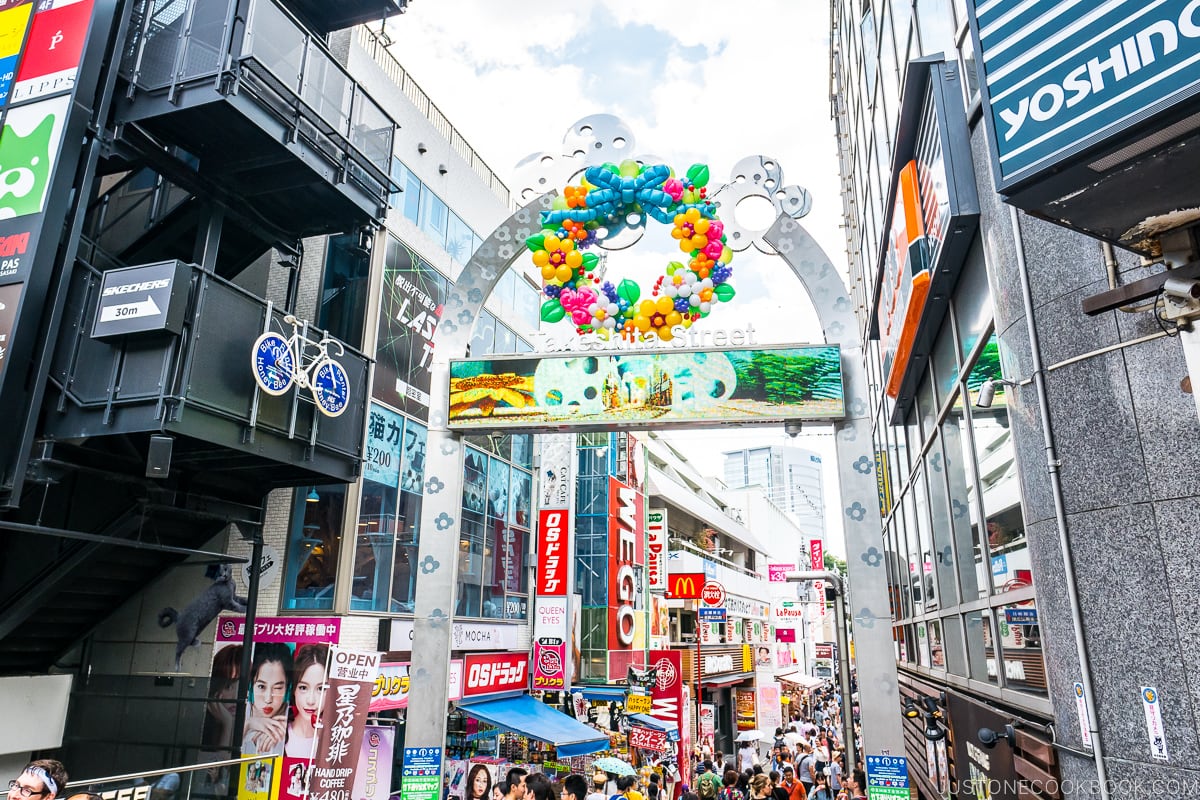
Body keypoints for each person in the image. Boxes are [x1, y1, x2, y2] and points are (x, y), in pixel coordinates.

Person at [242, 642, 293, 755]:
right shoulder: (239, 711)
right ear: (251, 685)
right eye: (261, 687)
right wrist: (249, 724)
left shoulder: (292, 718)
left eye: (278, 688)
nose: (268, 699)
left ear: (287, 687)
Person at [285, 643, 329, 757]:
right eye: (303, 688)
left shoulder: (335, 740)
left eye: (321, 689)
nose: (311, 700)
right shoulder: (279, 733)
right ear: (294, 689)